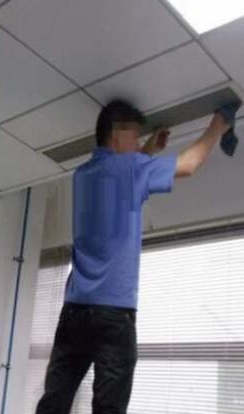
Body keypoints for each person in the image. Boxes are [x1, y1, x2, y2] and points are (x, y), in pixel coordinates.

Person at [35, 99, 240, 414]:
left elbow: (120, 179)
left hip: (74, 312)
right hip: (113, 316)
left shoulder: (83, 175)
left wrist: (147, 150)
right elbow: (189, 164)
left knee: (54, 403)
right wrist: (219, 124)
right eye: (134, 137)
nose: (137, 144)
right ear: (116, 137)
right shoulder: (129, 169)